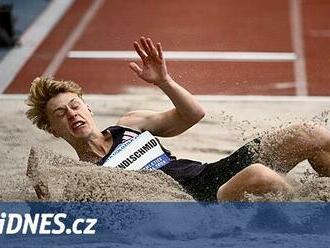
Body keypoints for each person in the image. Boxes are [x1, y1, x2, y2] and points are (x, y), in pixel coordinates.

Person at [25, 37, 330, 202]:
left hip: (211, 173)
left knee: (310, 133)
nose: (73, 114)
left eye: (75, 105)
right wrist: (41, 194)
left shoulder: (129, 124)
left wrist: (164, 82)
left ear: (88, 108)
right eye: (61, 114)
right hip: (196, 203)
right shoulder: (84, 175)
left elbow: (192, 115)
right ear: (53, 129)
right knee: (259, 176)